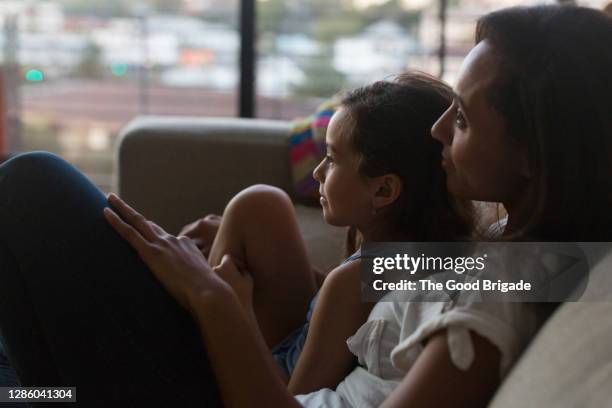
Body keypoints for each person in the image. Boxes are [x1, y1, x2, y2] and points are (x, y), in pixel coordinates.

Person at [1, 4, 612, 407]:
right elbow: (383, 285)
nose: (438, 132)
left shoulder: (497, 304)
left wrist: (215, 301)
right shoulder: (525, 250)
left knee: (33, 186)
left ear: (538, 151)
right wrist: (280, 279)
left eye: (465, 120)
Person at [0, 71, 472, 405]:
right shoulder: (442, 259)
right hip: (286, 344)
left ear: (385, 189)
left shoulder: (368, 283)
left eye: (331, 159)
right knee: (261, 204)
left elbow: (290, 398)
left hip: (246, 379)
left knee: (31, 179)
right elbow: (359, 315)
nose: (319, 172)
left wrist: (228, 302)